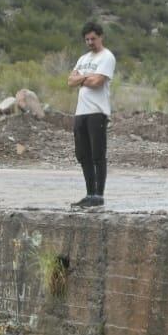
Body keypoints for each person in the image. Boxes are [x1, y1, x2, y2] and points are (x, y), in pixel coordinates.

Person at [67, 21, 115, 209]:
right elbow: (70, 81)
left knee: (98, 155)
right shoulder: (83, 58)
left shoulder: (107, 57)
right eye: (86, 39)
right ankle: (89, 194)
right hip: (81, 112)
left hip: (97, 111)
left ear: (100, 37)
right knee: (83, 155)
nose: (90, 42)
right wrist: (86, 77)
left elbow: (97, 82)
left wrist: (81, 78)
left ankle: (98, 195)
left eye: (93, 38)